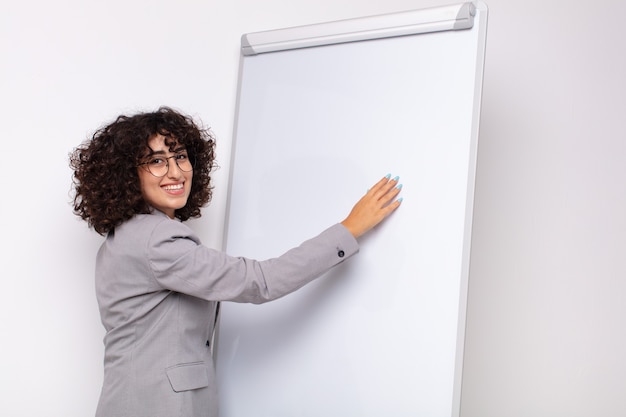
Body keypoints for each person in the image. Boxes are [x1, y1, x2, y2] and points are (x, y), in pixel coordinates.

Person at [69, 106, 402, 417]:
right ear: (128, 175)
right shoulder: (157, 239)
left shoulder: (127, 235)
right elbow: (261, 281)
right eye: (157, 161)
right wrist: (350, 228)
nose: (176, 171)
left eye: (181, 157)